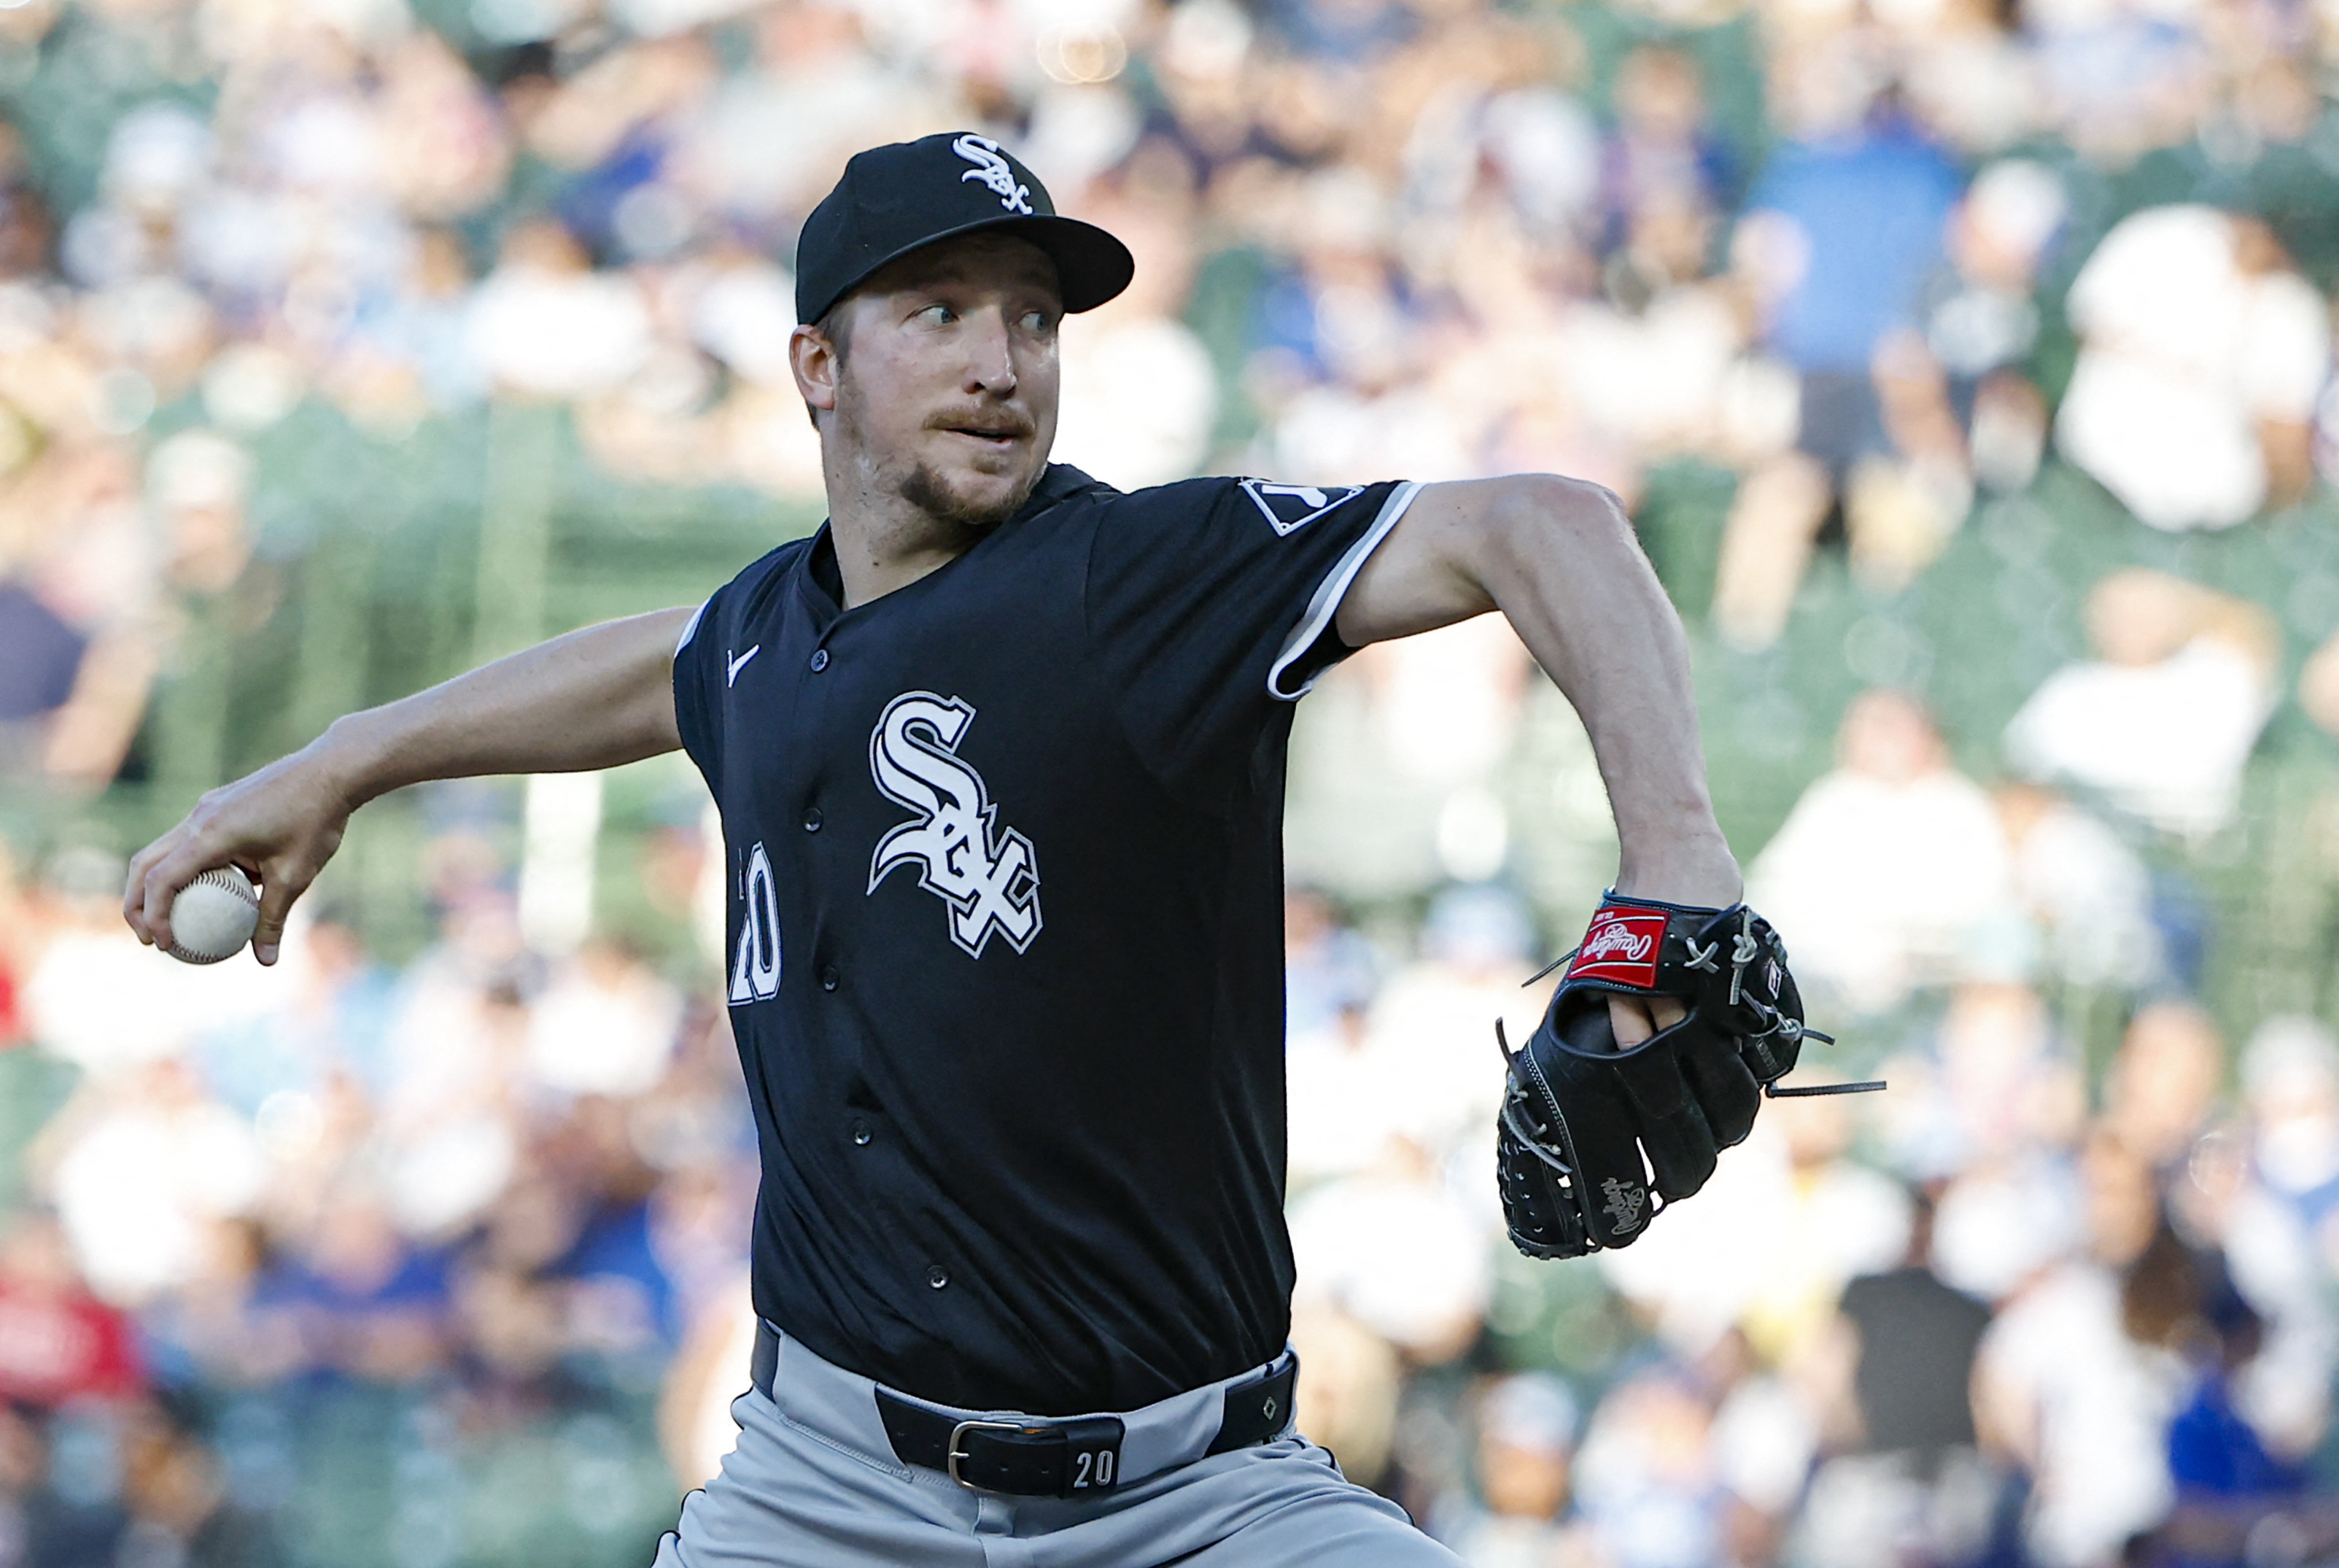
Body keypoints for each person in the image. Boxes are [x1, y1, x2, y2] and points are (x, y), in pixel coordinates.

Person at [122, 132, 1748, 1567]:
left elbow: (1539, 521)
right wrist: (342, 762)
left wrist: (1673, 856)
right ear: (816, 365)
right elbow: (654, 666)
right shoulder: (765, 632)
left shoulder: (1128, 577)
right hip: (825, 1489)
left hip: (1197, 1502)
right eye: (941, 312)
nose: (1003, 361)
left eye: (1034, 319)